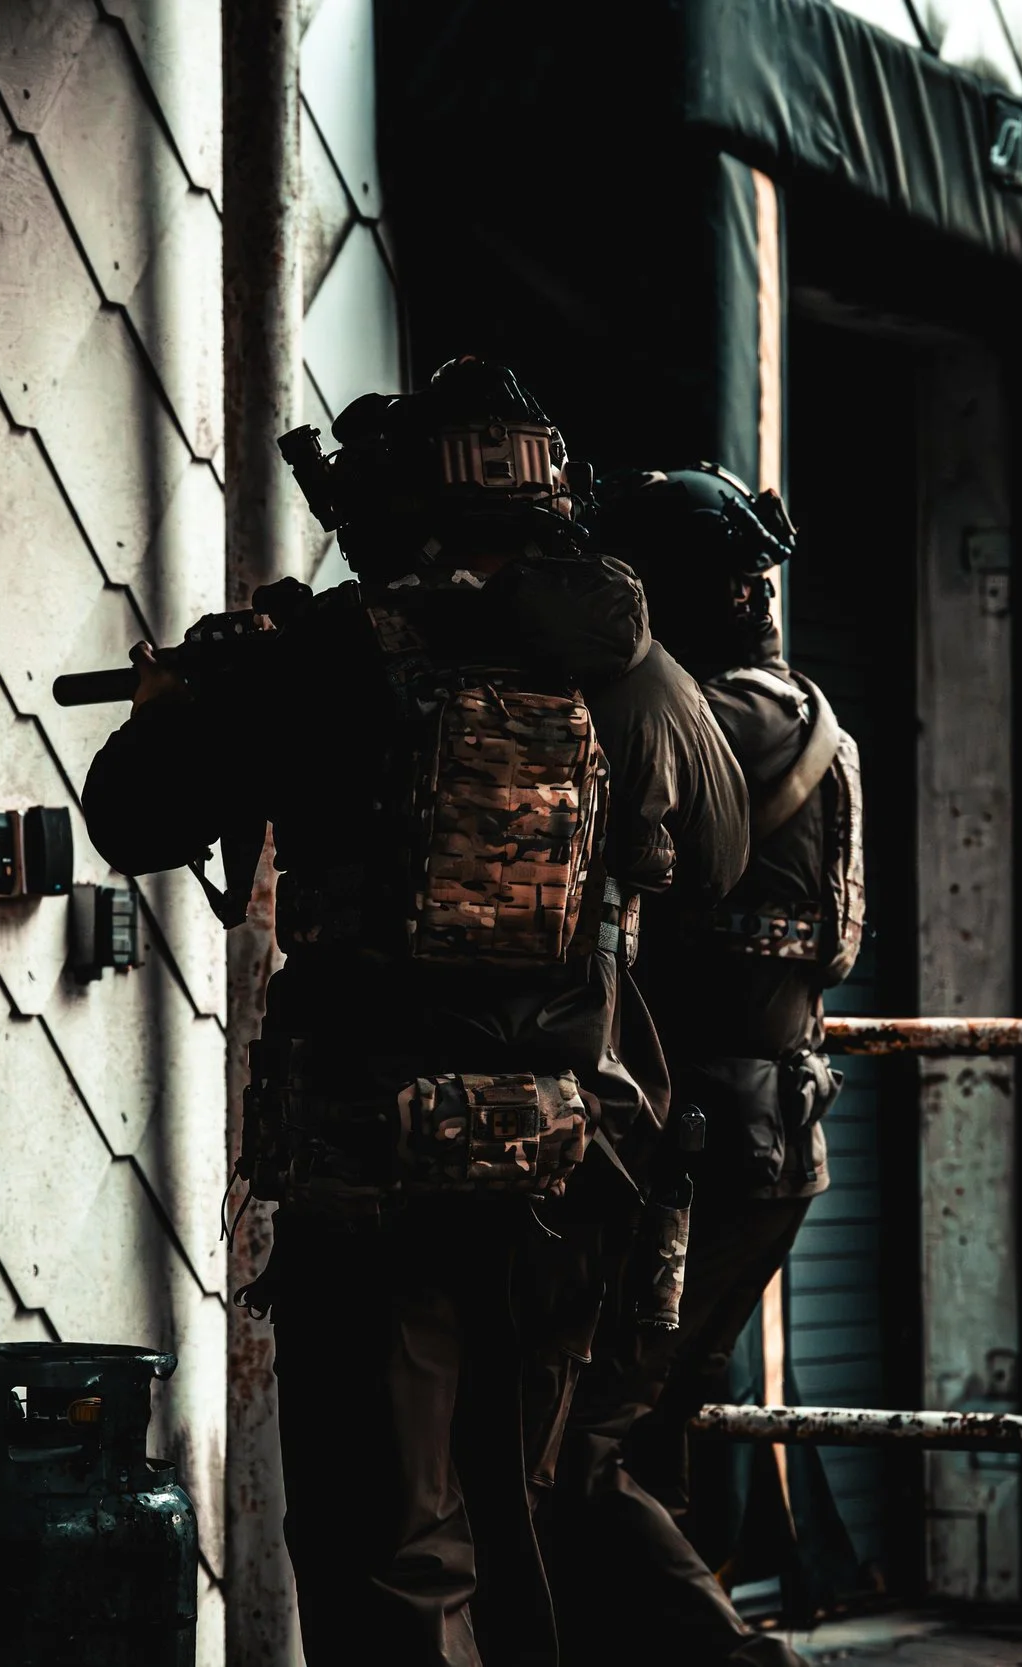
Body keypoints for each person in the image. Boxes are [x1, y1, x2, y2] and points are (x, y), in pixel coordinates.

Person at [80, 361, 751, 1666]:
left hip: (375, 1166)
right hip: (574, 1158)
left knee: (383, 1530)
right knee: (531, 1511)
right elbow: (719, 860)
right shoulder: (642, 668)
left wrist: (191, 691)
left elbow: (128, 811)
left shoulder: (324, 658)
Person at [543, 467, 864, 1666]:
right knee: (651, 1433)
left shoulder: (724, 719)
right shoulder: (793, 707)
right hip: (759, 1135)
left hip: (705, 1148)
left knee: (582, 1449)